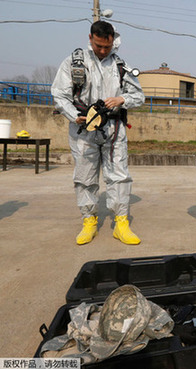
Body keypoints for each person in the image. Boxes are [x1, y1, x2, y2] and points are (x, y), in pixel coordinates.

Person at [52, 21, 145, 246]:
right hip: (83, 128)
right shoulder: (74, 63)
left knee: (119, 176)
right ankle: (89, 221)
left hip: (114, 129)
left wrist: (122, 99)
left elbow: (139, 96)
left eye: (107, 47)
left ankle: (121, 223)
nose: (103, 51)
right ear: (90, 38)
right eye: (99, 46)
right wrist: (74, 115)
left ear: (113, 41)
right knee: (84, 177)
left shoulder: (120, 66)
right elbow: (59, 94)